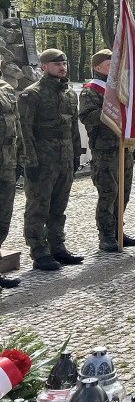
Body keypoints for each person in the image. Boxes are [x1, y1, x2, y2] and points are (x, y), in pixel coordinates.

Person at [19, 48, 84, 271]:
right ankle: (39, 252)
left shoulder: (68, 94)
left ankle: (58, 247)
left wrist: (76, 154)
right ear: (44, 66)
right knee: (38, 206)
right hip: (42, 161)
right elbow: (24, 130)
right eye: (56, 64)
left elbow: (73, 127)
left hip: (64, 158)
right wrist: (29, 161)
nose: (62, 67)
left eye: (64, 63)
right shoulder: (32, 94)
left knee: (59, 207)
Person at [79, 49, 135, 251]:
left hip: (123, 147)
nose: (115, 68)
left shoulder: (120, 88)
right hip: (105, 150)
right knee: (109, 193)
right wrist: (112, 108)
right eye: (109, 65)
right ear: (98, 67)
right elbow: (86, 116)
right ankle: (106, 235)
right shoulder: (91, 90)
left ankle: (117, 230)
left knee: (124, 193)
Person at [0, 54, 23, 291]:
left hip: (7, 165)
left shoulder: (6, 88)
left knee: (3, 220)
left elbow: (17, 127)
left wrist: (22, 159)